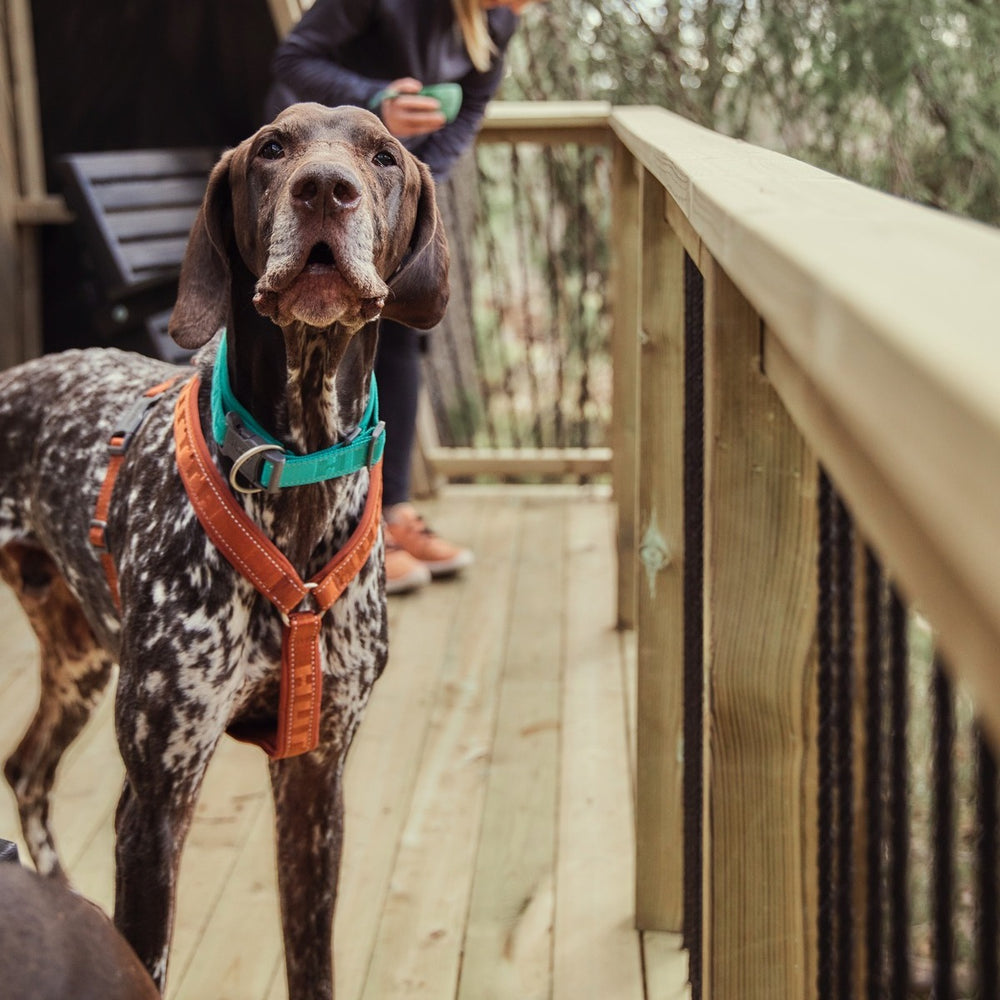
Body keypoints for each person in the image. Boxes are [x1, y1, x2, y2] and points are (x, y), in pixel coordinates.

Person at [266, 0, 542, 594]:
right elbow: (294, 59)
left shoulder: (499, 20)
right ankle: (334, 527)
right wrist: (375, 100)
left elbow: (470, 111)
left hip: (389, 189)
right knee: (316, 341)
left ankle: (390, 514)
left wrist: (416, 182)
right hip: (311, 185)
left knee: (400, 339)